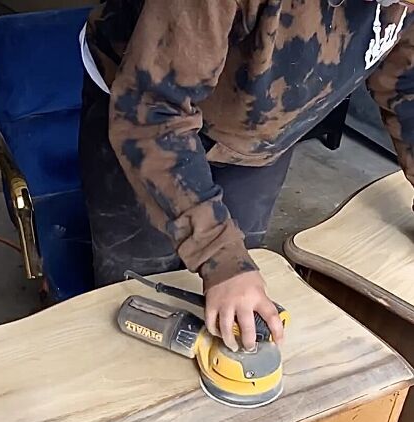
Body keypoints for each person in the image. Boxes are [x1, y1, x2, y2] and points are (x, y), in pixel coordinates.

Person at [79, 0, 414, 351]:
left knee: (237, 298)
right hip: (147, 108)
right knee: (136, 291)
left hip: (261, 124)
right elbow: (151, 111)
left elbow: (408, 85)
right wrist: (218, 253)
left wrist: (228, 265)